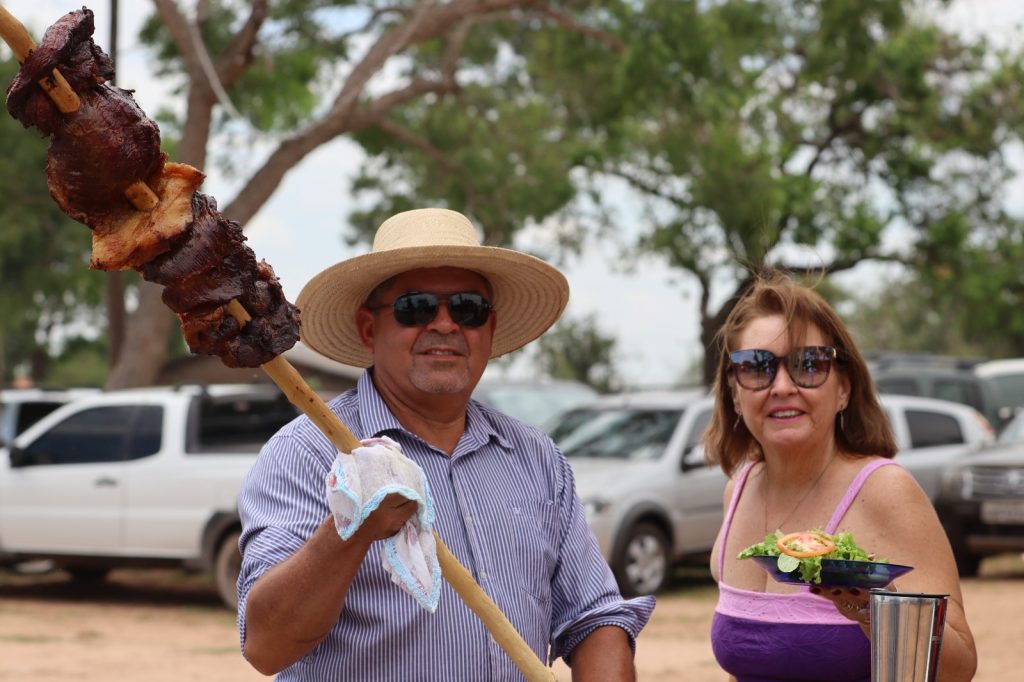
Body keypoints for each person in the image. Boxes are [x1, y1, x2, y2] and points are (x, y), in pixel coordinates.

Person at [236, 208, 654, 680]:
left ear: (490, 330)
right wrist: (349, 530)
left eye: (467, 309)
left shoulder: (536, 458)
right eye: (415, 307)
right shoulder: (305, 453)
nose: (445, 324)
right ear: (369, 329)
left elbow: (594, 618)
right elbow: (266, 647)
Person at [702, 270, 977, 682]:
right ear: (734, 392)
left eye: (808, 365)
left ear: (844, 388)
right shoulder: (737, 491)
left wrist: (875, 610)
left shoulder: (885, 490)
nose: (781, 386)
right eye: (756, 367)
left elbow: (961, 668)